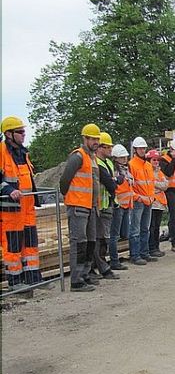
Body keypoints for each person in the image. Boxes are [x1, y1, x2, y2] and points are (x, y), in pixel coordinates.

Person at [0, 116, 47, 290]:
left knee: (30, 244)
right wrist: (8, 190)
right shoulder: (2, 151)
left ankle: (33, 278)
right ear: (9, 134)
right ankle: (15, 282)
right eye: (20, 132)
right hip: (11, 210)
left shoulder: (23, 153)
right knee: (12, 246)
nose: (23, 134)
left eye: (23, 131)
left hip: (27, 207)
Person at [59, 124, 102, 292]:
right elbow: (64, 180)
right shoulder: (78, 156)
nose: (96, 142)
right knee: (79, 243)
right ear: (85, 139)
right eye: (93, 139)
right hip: (78, 206)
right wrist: (69, 197)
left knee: (90, 242)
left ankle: (85, 274)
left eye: (97, 139)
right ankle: (76, 281)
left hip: (90, 206)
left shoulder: (92, 158)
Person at [91, 132, 120, 280]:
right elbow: (110, 183)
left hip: (107, 203)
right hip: (99, 206)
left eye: (110, 147)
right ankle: (101, 268)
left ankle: (98, 268)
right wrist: (115, 180)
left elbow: (113, 182)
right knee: (100, 239)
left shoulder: (107, 162)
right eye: (107, 147)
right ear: (100, 148)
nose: (110, 150)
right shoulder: (97, 163)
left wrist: (114, 181)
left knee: (102, 238)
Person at [128, 136, 156, 266]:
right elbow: (130, 186)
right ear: (135, 149)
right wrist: (138, 197)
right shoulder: (131, 165)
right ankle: (135, 255)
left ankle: (144, 253)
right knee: (135, 229)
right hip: (138, 201)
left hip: (148, 201)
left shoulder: (148, 165)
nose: (142, 150)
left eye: (144, 148)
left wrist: (151, 197)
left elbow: (151, 183)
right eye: (140, 148)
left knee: (145, 228)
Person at [109, 144, 133, 271]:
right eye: (122, 157)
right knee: (114, 235)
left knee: (125, 233)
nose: (125, 159)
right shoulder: (115, 170)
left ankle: (118, 257)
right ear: (116, 158)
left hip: (127, 205)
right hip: (118, 205)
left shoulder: (126, 170)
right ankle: (114, 261)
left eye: (125, 157)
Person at [146, 149, 168, 258]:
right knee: (152, 227)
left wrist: (156, 185)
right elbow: (150, 184)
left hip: (160, 204)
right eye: (154, 160)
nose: (156, 162)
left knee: (156, 227)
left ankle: (156, 247)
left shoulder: (159, 172)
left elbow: (165, 185)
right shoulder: (147, 171)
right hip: (152, 203)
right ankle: (151, 248)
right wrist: (158, 185)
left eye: (157, 160)